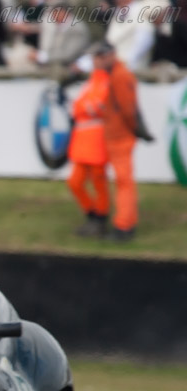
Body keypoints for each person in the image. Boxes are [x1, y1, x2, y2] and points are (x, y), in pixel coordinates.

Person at [93, 40, 143, 241]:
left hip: (121, 137)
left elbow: (128, 109)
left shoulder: (120, 75)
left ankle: (124, 226)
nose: (96, 62)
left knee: (123, 183)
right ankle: (123, 222)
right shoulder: (115, 74)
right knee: (122, 182)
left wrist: (132, 129)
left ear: (109, 56)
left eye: (99, 57)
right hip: (117, 135)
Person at [66, 56, 110, 238]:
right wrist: (83, 107)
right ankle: (91, 215)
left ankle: (100, 219)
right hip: (83, 140)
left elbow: (97, 107)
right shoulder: (91, 83)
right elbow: (78, 108)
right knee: (75, 182)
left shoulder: (106, 83)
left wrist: (83, 108)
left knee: (99, 181)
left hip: (97, 139)